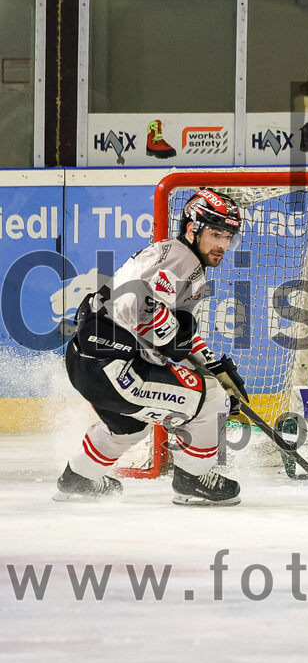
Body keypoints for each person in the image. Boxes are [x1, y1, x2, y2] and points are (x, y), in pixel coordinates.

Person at [56, 189, 249, 505]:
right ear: (191, 229)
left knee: (130, 425)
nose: (223, 245)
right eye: (216, 234)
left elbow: (172, 334)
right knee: (211, 397)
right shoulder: (179, 261)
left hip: (86, 360)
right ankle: (192, 479)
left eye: (229, 237)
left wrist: (212, 364)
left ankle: (79, 476)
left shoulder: (175, 257)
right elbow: (143, 309)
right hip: (114, 367)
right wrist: (192, 359)